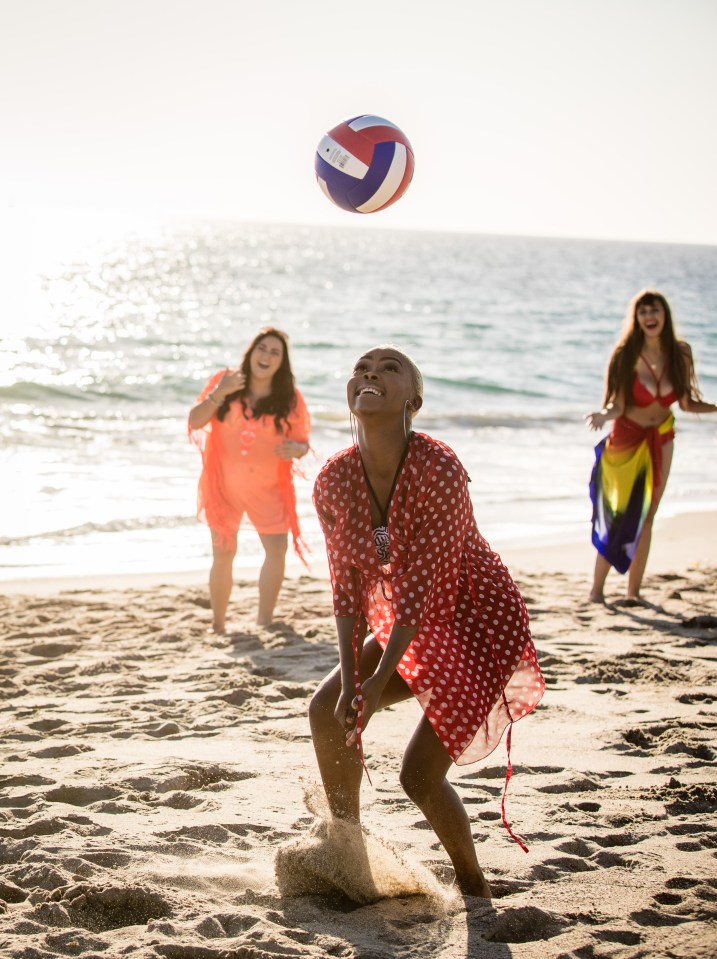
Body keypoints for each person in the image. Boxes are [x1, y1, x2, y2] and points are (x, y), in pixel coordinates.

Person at [309, 344, 545, 898]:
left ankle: (472, 882)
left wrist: (370, 681)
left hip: (472, 623)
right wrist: (351, 680)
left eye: (389, 368)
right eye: (362, 369)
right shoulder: (334, 480)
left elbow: (424, 593)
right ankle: (350, 851)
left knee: (417, 775)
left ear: (412, 399)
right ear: (350, 393)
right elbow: (346, 589)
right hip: (410, 624)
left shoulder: (439, 468)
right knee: (327, 708)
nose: (370, 373)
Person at [585, 290, 716, 604]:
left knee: (647, 515)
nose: (648, 317)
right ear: (636, 318)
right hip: (626, 438)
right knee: (618, 514)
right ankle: (597, 591)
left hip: (662, 437)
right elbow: (616, 404)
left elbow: (686, 403)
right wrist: (603, 414)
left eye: (653, 310)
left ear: (664, 314)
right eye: (642, 312)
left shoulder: (680, 353)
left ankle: (633, 593)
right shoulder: (625, 354)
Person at [188, 328, 310, 631]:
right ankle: (218, 624)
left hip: (268, 488)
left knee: (276, 551)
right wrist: (221, 391)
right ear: (250, 352)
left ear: (282, 362)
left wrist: (295, 449)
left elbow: (302, 443)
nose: (266, 356)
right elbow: (195, 421)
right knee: (224, 553)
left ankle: (265, 619)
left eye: (275, 353)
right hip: (223, 487)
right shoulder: (226, 382)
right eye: (262, 349)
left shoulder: (289, 398)